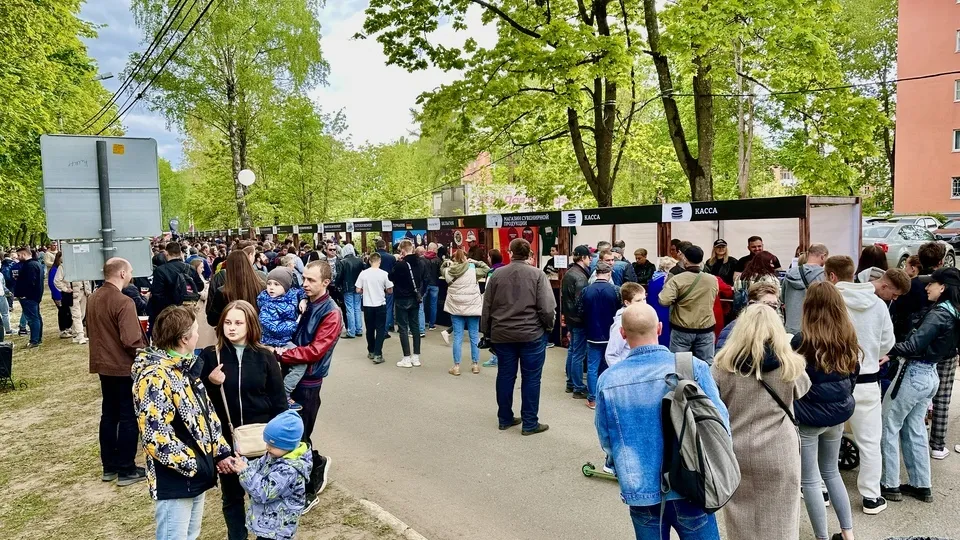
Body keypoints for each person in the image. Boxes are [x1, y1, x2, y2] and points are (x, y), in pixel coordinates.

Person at [595, 302, 728, 540]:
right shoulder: (692, 367)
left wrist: (618, 467)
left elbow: (606, 436)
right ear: (659, 328)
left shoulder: (608, 380)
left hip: (640, 487)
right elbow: (720, 422)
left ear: (623, 333)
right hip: (691, 483)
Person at [132, 305, 233, 540]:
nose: (198, 335)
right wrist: (194, 465)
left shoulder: (185, 368)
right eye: (196, 331)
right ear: (184, 339)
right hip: (176, 479)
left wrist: (219, 452)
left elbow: (205, 415)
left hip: (196, 474)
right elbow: (156, 438)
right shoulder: (155, 377)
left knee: (190, 535)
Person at [711, 304, 811, 540]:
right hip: (780, 450)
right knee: (782, 517)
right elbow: (802, 390)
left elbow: (713, 400)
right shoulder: (791, 365)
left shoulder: (722, 365)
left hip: (737, 449)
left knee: (740, 518)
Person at [198, 300, 287, 540]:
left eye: (238, 323)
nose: (232, 327)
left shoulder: (265, 357)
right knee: (232, 497)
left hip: (261, 442)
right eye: (228, 322)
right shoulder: (210, 356)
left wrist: (281, 444)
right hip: (226, 443)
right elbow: (197, 404)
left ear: (250, 325)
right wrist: (210, 383)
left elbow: (279, 403)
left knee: (264, 496)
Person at [830, 257, 908, 515]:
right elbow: (887, 343)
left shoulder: (832, 299)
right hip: (866, 379)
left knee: (828, 436)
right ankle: (871, 496)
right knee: (870, 441)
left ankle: (823, 488)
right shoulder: (878, 306)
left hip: (835, 378)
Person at [881, 267, 960, 503]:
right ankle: (921, 484)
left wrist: (887, 350)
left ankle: (889, 483)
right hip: (930, 374)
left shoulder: (938, 315)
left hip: (913, 374)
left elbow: (913, 345)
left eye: (931, 283)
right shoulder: (954, 312)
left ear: (942, 287)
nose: (926, 287)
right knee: (914, 427)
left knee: (889, 425)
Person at [792, 282, 860, 540]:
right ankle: (848, 533)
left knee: (810, 480)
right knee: (832, 472)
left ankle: (821, 537)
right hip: (837, 415)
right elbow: (853, 375)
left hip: (809, 417)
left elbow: (794, 381)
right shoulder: (848, 336)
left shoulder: (802, 341)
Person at [278, 261, 341, 512]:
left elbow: (315, 351)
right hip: (291, 374)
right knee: (295, 434)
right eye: (303, 278)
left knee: (299, 438)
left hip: (309, 382)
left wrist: (280, 354)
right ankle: (317, 464)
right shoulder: (305, 302)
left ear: (326, 283)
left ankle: (306, 492)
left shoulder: (331, 313)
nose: (304, 283)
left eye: (311, 280)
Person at [481, 238, 556, 435]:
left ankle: (504, 418)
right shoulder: (538, 275)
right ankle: (530, 423)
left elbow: (487, 306)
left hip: (502, 333)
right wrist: (548, 327)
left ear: (510, 252)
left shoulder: (497, 275)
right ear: (529, 253)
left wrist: (486, 333)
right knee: (532, 378)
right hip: (531, 334)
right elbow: (547, 308)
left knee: (505, 375)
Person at [88, 258, 147, 487]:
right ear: (122, 273)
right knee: (128, 416)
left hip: (103, 365)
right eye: (130, 271)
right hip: (122, 367)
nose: (131, 275)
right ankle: (126, 468)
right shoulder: (123, 301)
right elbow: (131, 340)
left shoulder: (94, 298)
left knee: (109, 415)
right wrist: (145, 353)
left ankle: (109, 465)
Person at [225, 410, 311, 540]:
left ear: (288, 445)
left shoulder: (289, 471)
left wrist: (244, 471)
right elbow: (258, 466)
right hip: (268, 527)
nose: (267, 447)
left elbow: (263, 493)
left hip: (278, 531)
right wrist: (241, 463)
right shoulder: (275, 455)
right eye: (267, 443)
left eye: (272, 445)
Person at [658, 245, 719, 363]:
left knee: (680, 365)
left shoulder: (677, 279)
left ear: (685, 259)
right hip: (706, 328)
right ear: (701, 260)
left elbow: (664, 300)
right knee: (706, 365)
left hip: (682, 329)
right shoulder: (712, 279)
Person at [257, 268, 307, 410]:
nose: (271, 287)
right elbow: (272, 327)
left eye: (276, 284)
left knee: (296, 364)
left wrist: (303, 300)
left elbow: (301, 291)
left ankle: (282, 392)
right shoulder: (267, 303)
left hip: (286, 339)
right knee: (299, 364)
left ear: (286, 286)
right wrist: (295, 324)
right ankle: (283, 393)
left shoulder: (291, 294)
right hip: (273, 341)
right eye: (269, 284)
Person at [577, 261, 621, 409]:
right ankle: (605, 395)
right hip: (610, 334)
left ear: (596, 274)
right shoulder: (615, 290)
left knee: (592, 367)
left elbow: (580, 311)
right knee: (606, 366)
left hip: (592, 333)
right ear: (609, 274)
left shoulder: (586, 290)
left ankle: (592, 399)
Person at [441, 250, 489, 375]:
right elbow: (487, 269)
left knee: (458, 337)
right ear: (465, 258)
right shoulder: (473, 271)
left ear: (454, 259)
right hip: (472, 308)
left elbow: (442, 268)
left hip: (456, 309)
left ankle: (456, 366)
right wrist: (476, 262)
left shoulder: (448, 272)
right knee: (474, 336)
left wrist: (446, 262)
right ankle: (475, 365)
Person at [148, 241, 205, 332]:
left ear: (167, 253)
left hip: (168, 312)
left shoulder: (160, 270)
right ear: (180, 253)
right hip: (187, 310)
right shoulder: (190, 268)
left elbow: (157, 295)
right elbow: (200, 286)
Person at [389, 239, 427, 368]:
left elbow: (391, 277)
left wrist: (398, 262)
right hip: (415, 298)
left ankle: (406, 357)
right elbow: (425, 279)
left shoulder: (400, 265)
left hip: (401, 298)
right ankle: (416, 357)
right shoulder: (421, 262)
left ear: (403, 251)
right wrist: (420, 293)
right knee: (415, 327)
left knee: (403, 328)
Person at [561, 245, 591, 398]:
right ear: (583, 258)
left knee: (572, 351)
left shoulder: (569, 273)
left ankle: (571, 383)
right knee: (578, 354)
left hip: (570, 317)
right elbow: (581, 301)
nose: (590, 260)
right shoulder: (580, 277)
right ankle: (578, 387)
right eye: (589, 257)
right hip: (578, 320)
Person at [207, 250, 265, 328]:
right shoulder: (262, 286)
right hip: (256, 330)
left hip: (231, 332)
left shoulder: (222, 292)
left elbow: (212, 320)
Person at [716, 281, 781, 349]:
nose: (771, 311)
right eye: (767, 305)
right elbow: (723, 354)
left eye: (775, 306)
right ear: (752, 304)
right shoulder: (732, 331)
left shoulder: (776, 330)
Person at [782, 243, 829, 335]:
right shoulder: (823, 276)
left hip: (791, 328)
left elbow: (783, 299)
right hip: (813, 329)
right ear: (823, 256)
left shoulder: (790, 273)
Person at [356, 252, 393, 364]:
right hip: (380, 304)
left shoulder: (363, 274)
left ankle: (371, 351)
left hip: (367, 305)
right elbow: (390, 290)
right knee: (380, 329)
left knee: (370, 329)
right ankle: (378, 353)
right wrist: (385, 291)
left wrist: (364, 291)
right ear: (380, 261)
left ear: (370, 261)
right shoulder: (384, 274)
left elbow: (358, 289)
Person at [604, 282, 645, 369]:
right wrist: (622, 373)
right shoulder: (621, 323)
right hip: (628, 369)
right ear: (627, 303)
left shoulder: (642, 316)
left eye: (644, 299)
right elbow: (611, 354)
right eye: (638, 300)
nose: (643, 303)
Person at [13, 246, 43, 348]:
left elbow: (30, 282)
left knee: (32, 319)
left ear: (24, 254)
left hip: (29, 297)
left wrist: (24, 295)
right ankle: (37, 338)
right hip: (33, 296)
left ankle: (34, 340)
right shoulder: (35, 264)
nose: (18, 257)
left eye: (19, 255)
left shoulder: (30, 266)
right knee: (36, 317)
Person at [646, 256, 677, 347]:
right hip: (664, 309)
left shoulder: (654, 278)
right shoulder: (666, 280)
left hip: (653, 309)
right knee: (665, 334)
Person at [337, 244, 364, 339]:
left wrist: (337, 285)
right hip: (358, 286)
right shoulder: (359, 260)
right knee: (357, 308)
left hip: (347, 287)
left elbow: (339, 276)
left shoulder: (342, 262)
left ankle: (351, 331)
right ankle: (359, 329)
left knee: (350, 309)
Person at [48, 251, 72, 339]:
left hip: (63, 294)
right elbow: (52, 284)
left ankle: (67, 328)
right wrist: (57, 296)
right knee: (63, 312)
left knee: (67, 312)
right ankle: (63, 330)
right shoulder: (55, 269)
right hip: (59, 294)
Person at [423, 242, 443, 330]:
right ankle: (432, 324)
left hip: (424, 284)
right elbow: (441, 272)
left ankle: (422, 323)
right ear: (434, 249)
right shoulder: (438, 260)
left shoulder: (422, 259)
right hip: (435, 284)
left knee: (422, 305)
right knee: (433, 305)